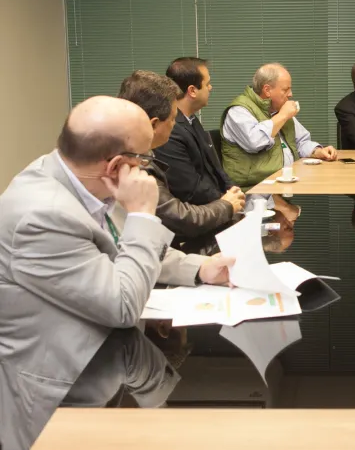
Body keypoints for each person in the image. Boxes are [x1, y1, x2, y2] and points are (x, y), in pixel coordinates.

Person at [0, 97, 234, 449]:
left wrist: (199, 267)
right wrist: (142, 214)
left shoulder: (79, 177)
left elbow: (122, 243)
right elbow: (122, 306)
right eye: (146, 158)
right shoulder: (42, 215)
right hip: (60, 394)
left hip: (108, 357)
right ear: (117, 166)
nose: (147, 169)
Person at [118, 70, 246, 238]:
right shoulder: (131, 165)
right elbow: (180, 218)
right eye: (173, 118)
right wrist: (226, 205)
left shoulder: (138, 154)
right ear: (154, 125)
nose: (175, 124)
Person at [221, 63, 338, 188]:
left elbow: (301, 142)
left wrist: (317, 151)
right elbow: (254, 142)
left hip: (281, 183)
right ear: (267, 90)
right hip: (253, 189)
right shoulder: (239, 111)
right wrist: (282, 115)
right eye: (285, 90)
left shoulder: (278, 110)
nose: (290, 94)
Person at [155, 57, 239, 206]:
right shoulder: (171, 130)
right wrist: (225, 202)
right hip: (199, 210)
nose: (210, 88)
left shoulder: (191, 119)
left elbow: (215, 168)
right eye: (207, 84)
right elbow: (190, 188)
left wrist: (233, 191)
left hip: (217, 203)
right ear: (192, 91)